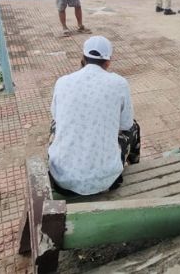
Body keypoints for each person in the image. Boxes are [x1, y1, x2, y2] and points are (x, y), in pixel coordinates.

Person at [48, 36, 141, 195]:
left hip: (62, 180)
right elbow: (126, 125)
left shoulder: (62, 81)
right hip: (105, 180)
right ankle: (135, 166)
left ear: (83, 57)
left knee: (55, 125)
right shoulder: (119, 83)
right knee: (134, 127)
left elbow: (56, 117)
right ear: (108, 62)